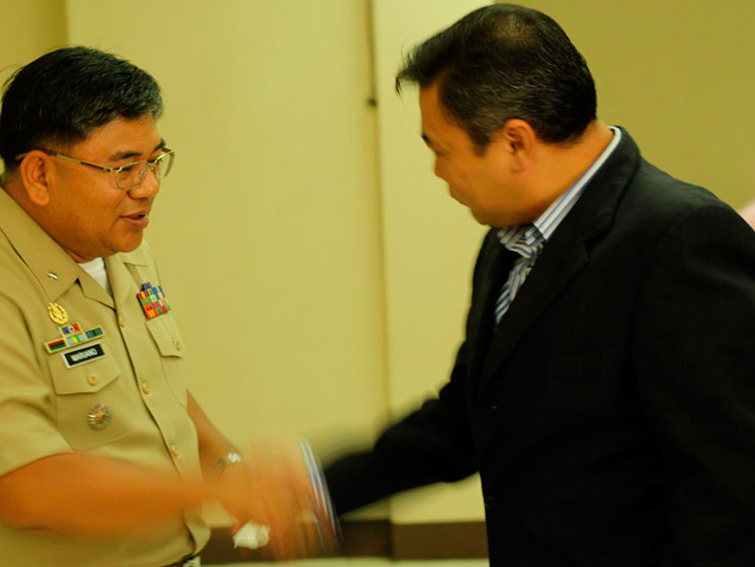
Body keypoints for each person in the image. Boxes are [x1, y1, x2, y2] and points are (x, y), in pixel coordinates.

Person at [323, 4, 755, 566]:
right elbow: (472, 415)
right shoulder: (508, 241)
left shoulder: (679, 239)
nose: (437, 172)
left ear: (516, 143)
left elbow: (732, 490)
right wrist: (317, 485)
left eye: (440, 149)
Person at [0, 46, 327, 567]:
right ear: (39, 174)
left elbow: (152, 386)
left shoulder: (119, 245)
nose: (148, 187)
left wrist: (227, 467)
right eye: (124, 168)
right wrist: (204, 496)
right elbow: (29, 489)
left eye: (154, 162)